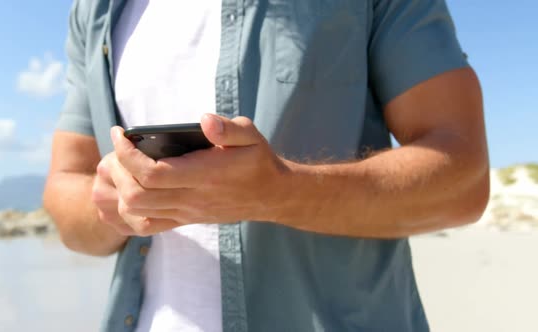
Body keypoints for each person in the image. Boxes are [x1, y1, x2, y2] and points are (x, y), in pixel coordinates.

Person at [43, 0, 490, 331]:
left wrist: (279, 193)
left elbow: (464, 180)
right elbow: (67, 193)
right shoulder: (96, 12)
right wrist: (114, 204)